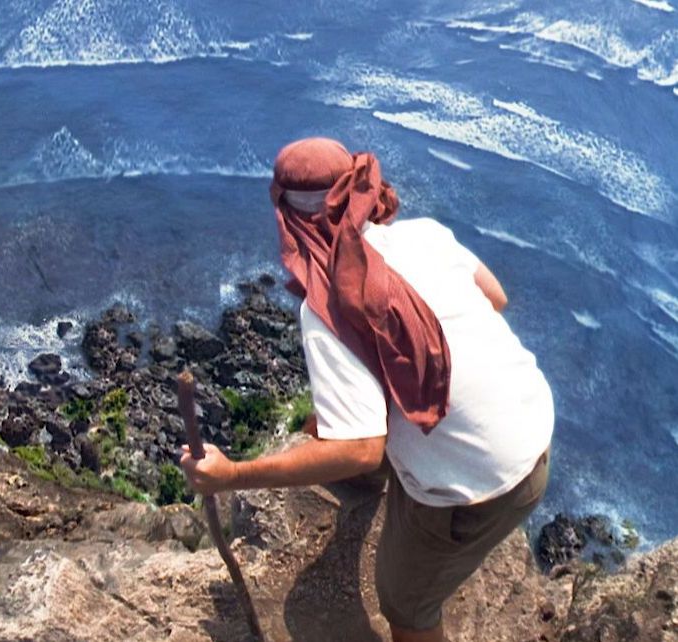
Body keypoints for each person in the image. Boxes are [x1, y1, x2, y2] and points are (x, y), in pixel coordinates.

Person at [179, 138, 554, 642]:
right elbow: (497, 299)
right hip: (532, 420)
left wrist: (232, 476)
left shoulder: (326, 309)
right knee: (338, 426)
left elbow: (359, 448)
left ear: (291, 221)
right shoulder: (427, 236)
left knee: (405, 604)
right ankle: (378, 482)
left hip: (481, 486)